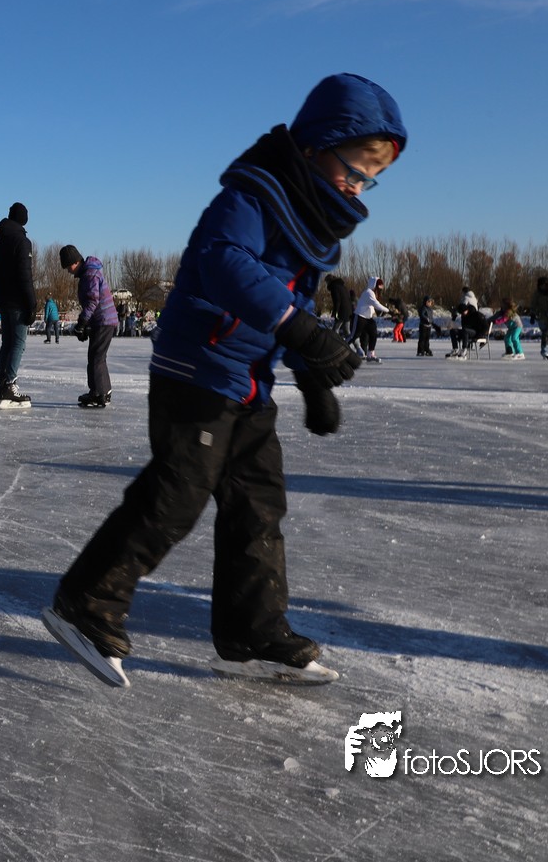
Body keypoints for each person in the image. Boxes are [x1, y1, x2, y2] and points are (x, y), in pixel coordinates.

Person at [42, 73, 406, 688]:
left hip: (249, 383)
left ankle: (251, 633)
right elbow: (223, 264)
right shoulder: (253, 197)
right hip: (199, 369)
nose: (357, 184)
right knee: (177, 493)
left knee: (259, 506)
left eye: (371, 178)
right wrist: (299, 330)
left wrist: (311, 376)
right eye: (355, 168)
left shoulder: (311, 226)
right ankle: (87, 601)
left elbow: (293, 304)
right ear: (316, 146)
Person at [60, 245, 117, 408]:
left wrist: (82, 323)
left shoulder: (90, 274)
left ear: (75, 262)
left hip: (104, 320)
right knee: (96, 357)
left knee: (96, 357)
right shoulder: (88, 273)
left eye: (68, 266)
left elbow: (93, 301)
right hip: (101, 320)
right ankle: (101, 391)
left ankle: (100, 393)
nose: (68, 271)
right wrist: (86, 326)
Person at [0, 202, 36, 408]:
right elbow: (25, 275)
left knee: (7, 343)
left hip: (4, 299)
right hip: (18, 300)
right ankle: (9, 384)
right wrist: (32, 304)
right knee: (18, 343)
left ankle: (3, 383)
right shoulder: (22, 241)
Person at [353, 276, 389, 362]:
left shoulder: (373, 293)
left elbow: (372, 306)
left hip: (368, 318)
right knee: (354, 336)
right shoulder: (368, 292)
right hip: (360, 316)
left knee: (373, 334)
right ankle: (341, 349)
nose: (379, 290)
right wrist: (388, 311)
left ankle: (370, 354)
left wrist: (379, 312)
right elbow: (376, 304)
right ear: (374, 285)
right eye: (378, 287)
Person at [325, 275, 354, 341]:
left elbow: (337, 301)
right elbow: (349, 299)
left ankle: (335, 344)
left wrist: (335, 312)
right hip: (348, 311)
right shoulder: (343, 286)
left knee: (335, 330)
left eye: (326, 282)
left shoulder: (334, 288)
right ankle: (357, 347)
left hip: (341, 312)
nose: (326, 284)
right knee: (347, 332)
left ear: (329, 281)